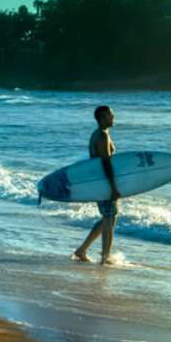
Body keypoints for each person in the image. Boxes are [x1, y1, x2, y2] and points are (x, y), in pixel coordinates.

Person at [73, 105, 121, 264]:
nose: (113, 118)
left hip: (100, 182)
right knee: (109, 217)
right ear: (102, 117)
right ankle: (105, 257)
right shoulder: (102, 136)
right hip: (104, 183)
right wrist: (113, 187)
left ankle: (82, 250)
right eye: (110, 115)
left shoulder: (99, 134)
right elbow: (105, 163)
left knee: (109, 218)